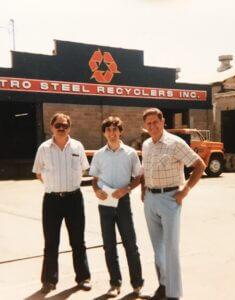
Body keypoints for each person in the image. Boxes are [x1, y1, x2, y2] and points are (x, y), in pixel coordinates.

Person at [141, 108, 206, 300]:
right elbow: (145, 168)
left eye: (155, 122)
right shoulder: (146, 145)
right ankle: (163, 286)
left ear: (163, 122)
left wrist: (185, 190)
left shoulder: (175, 143)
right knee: (157, 248)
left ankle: (174, 294)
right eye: (149, 123)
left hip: (170, 197)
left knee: (171, 247)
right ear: (145, 126)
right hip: (151, 199)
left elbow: (199, 165)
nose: (152, 126)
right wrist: (144, 189)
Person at [32, 112, 91, 294]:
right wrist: (54, 186)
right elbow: (38, 173)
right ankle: (49, 281)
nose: (61, 128)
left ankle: (83, 277)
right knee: (51, 242)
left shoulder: (77, 146)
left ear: (69, 127)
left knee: (78, 241)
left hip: (74, 199)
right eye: (58, 125)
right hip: (52, 201)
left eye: (64, 125)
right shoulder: (44, 148)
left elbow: (84, 169)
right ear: (52, 127)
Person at [89, 116, 144, 297]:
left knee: (130, 244)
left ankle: (137, 284)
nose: (112, 133)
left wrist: (127, 188)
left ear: (120, 131)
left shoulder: (130, 153)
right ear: (104, 133)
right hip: (105, 204)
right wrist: (97, 190)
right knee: (109, 245)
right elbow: (94, 180)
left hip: (122, 203)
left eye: (115, 129)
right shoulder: (98, 154)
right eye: (108, 130)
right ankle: (114, 283)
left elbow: (139, 177)